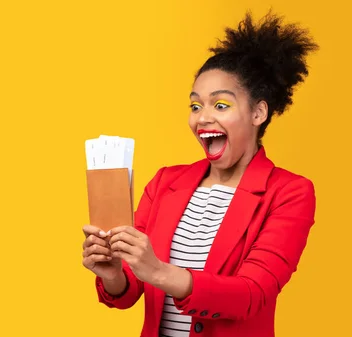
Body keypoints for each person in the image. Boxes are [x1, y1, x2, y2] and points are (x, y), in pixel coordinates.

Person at [82, 10, 318, 337]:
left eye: (221, 105)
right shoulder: (166, 183)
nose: (202, 118)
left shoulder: (289, 192)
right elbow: (129, 292)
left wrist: (159, 272)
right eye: (195, 106)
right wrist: (113, 273)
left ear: (258, 112)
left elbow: (251, 294)